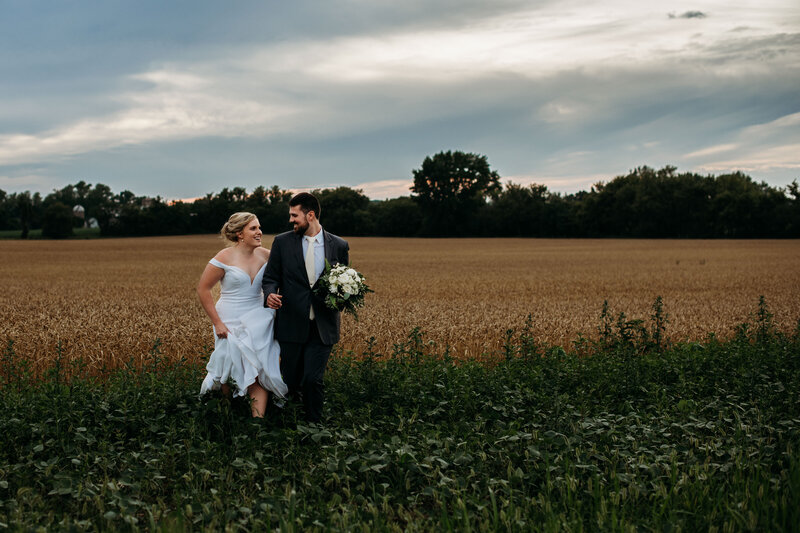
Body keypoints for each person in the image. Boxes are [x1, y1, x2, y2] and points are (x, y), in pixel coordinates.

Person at [262, 192, 350, 423]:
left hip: (324, 325)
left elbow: (344, 281)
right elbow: (271, 277)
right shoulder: (282, 242)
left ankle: (315, 428)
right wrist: (270, 293)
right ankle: (289, 425)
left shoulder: (339, 245)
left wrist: (342, 299)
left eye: (294, 215)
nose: (291, 220)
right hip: (291, 322)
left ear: (310, 215)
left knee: (313, 379)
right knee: (291, 379)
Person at [197, 212, 287, 417]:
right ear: (239, 234)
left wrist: (273, 295)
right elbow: (203, 289)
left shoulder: (266, 255)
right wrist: (217, 323)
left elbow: (280, 280)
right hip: (229, 319)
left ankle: (258, 424)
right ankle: (228, 416)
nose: (259, 232)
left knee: (259, 369)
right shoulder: (223, 257)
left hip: (259, 319)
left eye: (259, 227)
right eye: (253, 228)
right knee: (229, 368)